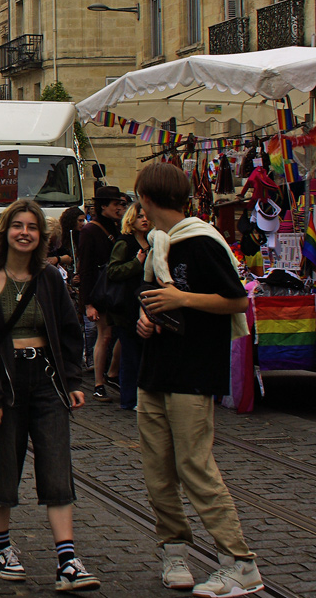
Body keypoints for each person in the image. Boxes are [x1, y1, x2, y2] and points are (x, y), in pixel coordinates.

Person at [134, 163, 262, 596]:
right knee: (157, 471)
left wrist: (180, 298)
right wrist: (146, 319)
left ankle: (238, 560)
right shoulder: (156, 244)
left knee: (194, 465)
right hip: (154, 368)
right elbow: (150, 300)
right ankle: (174, 551)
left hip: (192, 370)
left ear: (146, 199)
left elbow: (237, 301)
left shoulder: (202, 240)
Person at [0, 200, 98, 590]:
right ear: (4, 231)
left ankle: (67, 559)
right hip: (3, 383)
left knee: (57, 466)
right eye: (17, 225)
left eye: (33, 227)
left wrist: (73, 380)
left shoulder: (49, 278)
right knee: (2, 465)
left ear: (42, 236)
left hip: (45, 379)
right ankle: (3, 548)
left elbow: (69, 331)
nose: (25, 232)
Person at [78, 186, 128, 403]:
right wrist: (88, 303)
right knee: (105, 336)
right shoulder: (90, 231)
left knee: (125, 334)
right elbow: (85, 269)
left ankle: (113, 372)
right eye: (116, 204)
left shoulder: (119, 228)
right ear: (103, 206)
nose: (120, 208)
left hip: (118, 290)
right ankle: (99, 383)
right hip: (101, 291)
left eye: (122, 204)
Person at [105, 202, 151, 411]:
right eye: (140, 216)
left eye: (146, 216)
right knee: (130, 353)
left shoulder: (152, 241)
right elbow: (112, 271)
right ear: (132, 219)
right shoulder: (125, 242)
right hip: (126, 305)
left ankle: (144, 395)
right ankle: (129, 398)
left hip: (146, 303)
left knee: (143, 353)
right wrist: (136, 263)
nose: (144, 220)